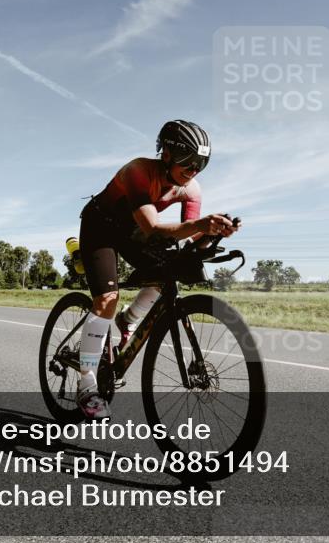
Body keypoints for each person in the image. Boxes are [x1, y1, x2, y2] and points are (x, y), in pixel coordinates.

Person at [75, 120, 238, 420]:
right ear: (166, 154)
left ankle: (129, 320)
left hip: (133, 233)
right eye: (187, 162)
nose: (193, 171)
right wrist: (200, 226)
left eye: (200, 164)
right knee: (106, 300)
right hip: (102, 227)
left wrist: (214, 233)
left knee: (170, 270)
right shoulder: (138, 171)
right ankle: (86, 384)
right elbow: (152, 226)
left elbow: (190, 237)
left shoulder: (192, 188)